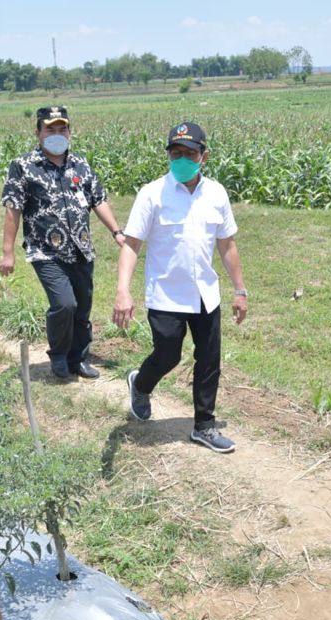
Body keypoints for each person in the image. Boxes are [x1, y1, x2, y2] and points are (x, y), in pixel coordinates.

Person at [112, 122, 249, 454]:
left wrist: (240, 289)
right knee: (168, 354)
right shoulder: (152, 194)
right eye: (176, 153)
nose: (182, 159)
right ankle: (141, 384)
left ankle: (204, 426)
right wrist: (123, 290)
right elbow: (131, 245)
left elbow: (227, 245)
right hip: (165, 293)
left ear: (204, 156)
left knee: (209, 360)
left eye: (189, 153)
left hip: (205, 292)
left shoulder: (216, 193)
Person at [0, 106, 124, 380]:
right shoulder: (23, 166)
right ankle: (58, 355)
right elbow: (13, 208)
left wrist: (116, 231)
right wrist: (7, 252)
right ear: (38, 132)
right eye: (50, 129)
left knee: (82, 308)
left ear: (69, 131)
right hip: (45, 251)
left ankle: (77, 358)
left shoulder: (80, 164)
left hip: (81, 248)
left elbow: (98, 199)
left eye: (62, 129)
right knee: (64, 304)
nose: (57, 134)